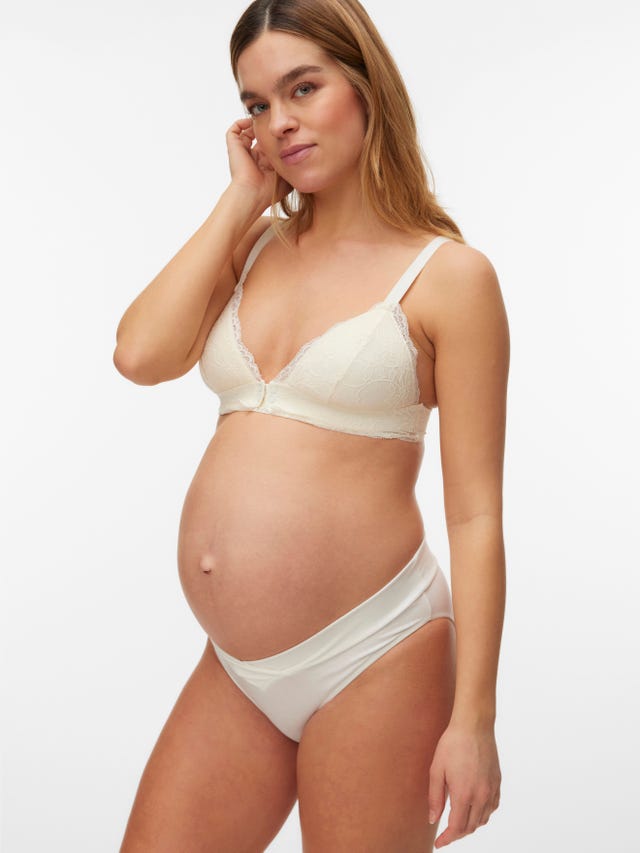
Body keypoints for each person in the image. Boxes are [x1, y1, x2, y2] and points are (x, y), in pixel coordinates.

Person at [113, 0, 509, 849]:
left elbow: (475, 514)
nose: (280, 122)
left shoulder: (451, 278)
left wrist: (474, 719)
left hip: (376, 651)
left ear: (365, 86)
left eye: (303, 88)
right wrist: (239, 201)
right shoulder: (253, 246)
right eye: (257, 104)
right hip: (237, 667)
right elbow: (139, 355)